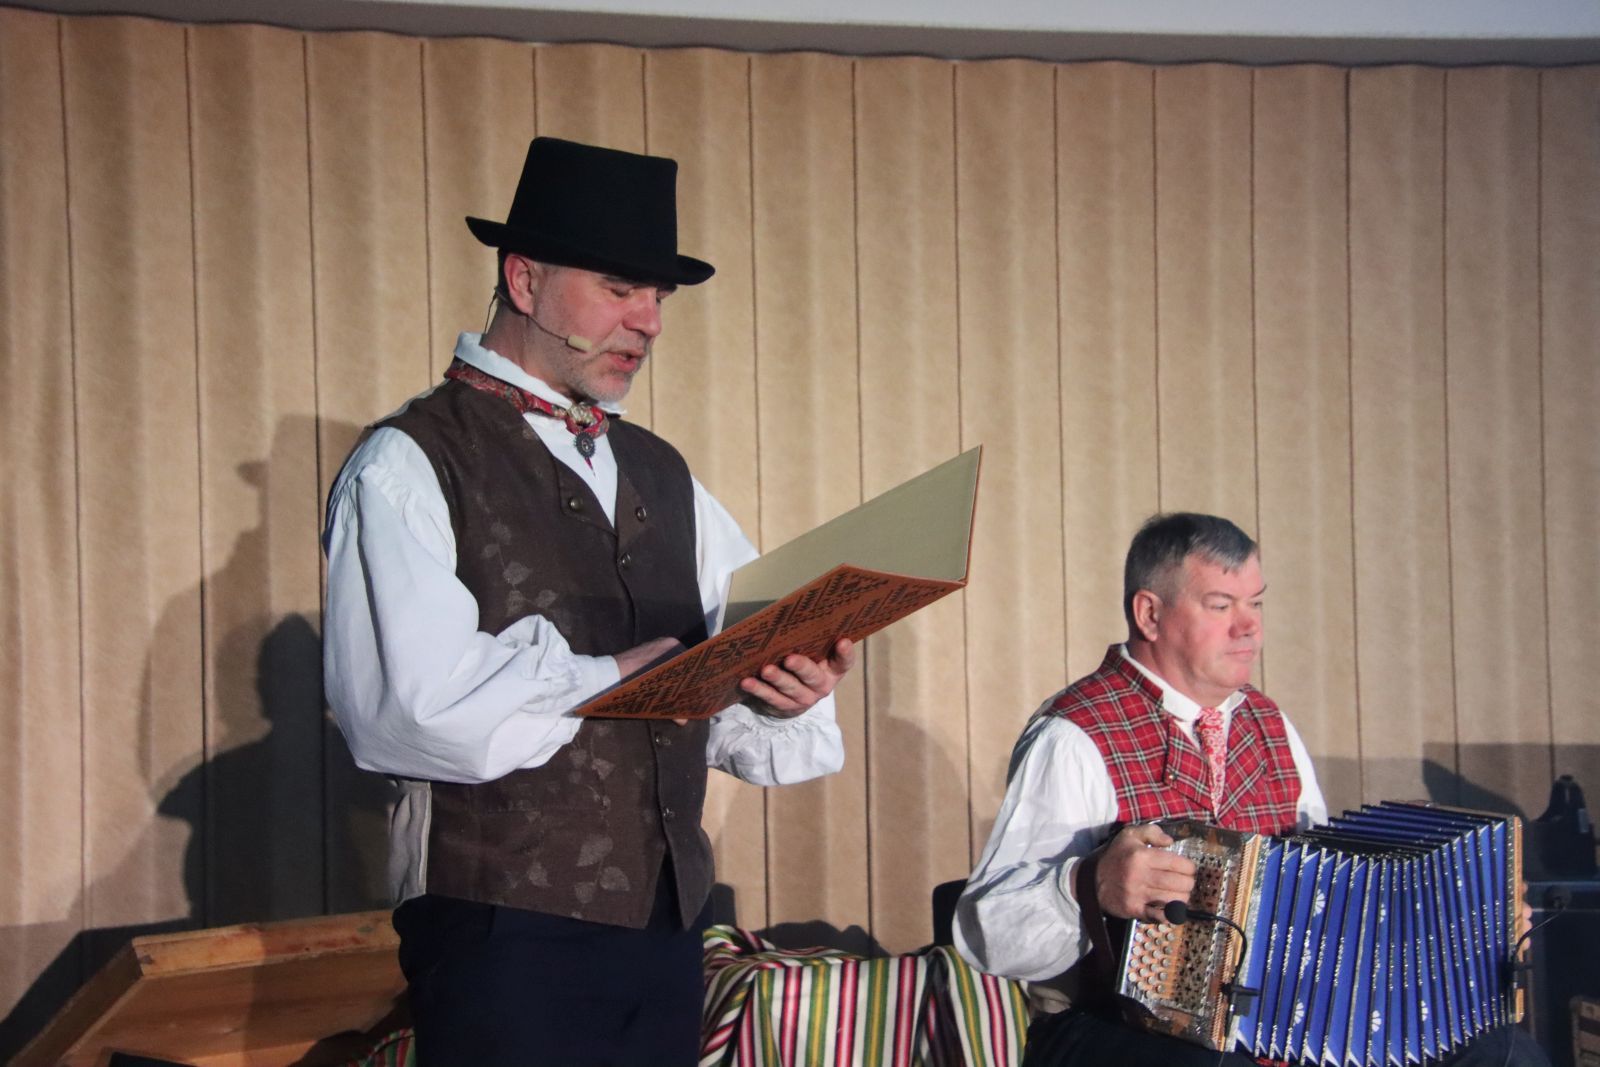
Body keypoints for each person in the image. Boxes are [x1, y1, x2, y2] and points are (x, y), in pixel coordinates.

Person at [322, 136, 857, 1066]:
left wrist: (780, 684)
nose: (648, 322)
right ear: (524, 280)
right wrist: (609, 674)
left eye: (659, 298)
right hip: (502, 929)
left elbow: (727, 669)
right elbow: (405, 711)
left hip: (664, 926)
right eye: (619, 289)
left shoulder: (661, 472)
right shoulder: (410, 461)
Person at [954, 512, 1547, 1067]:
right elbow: (988, 935)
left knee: (1506, 1055)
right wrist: (1087, 884)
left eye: (1255, 603)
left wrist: (1461, 919)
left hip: (1275, 1023)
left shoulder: (1270, 725)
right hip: (1110, 1027)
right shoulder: (1074, 734)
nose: (1250, 627)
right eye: (1221, 605)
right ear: (1150, 614)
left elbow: (1331, 898)